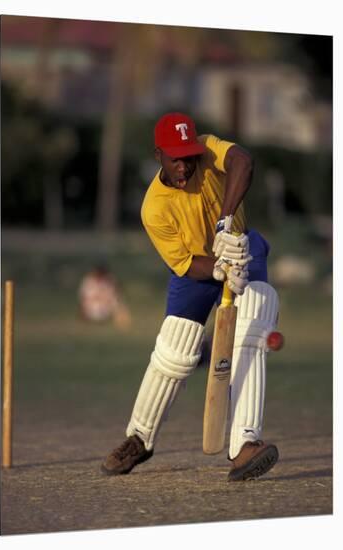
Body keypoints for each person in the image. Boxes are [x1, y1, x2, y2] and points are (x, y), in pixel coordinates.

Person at [101, 113, 279, 481]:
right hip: (198, 269)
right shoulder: (154, 207)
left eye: (189, 156)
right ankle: (140, 438)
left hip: (242, 249)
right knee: (174, 352)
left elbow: (243, 161)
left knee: (254, 328)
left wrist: (226, 224)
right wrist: (217, 268)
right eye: (175, 158)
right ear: (159, 156)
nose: (184, 165)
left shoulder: (209, 150)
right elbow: (183, 262)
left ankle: (244, 444)